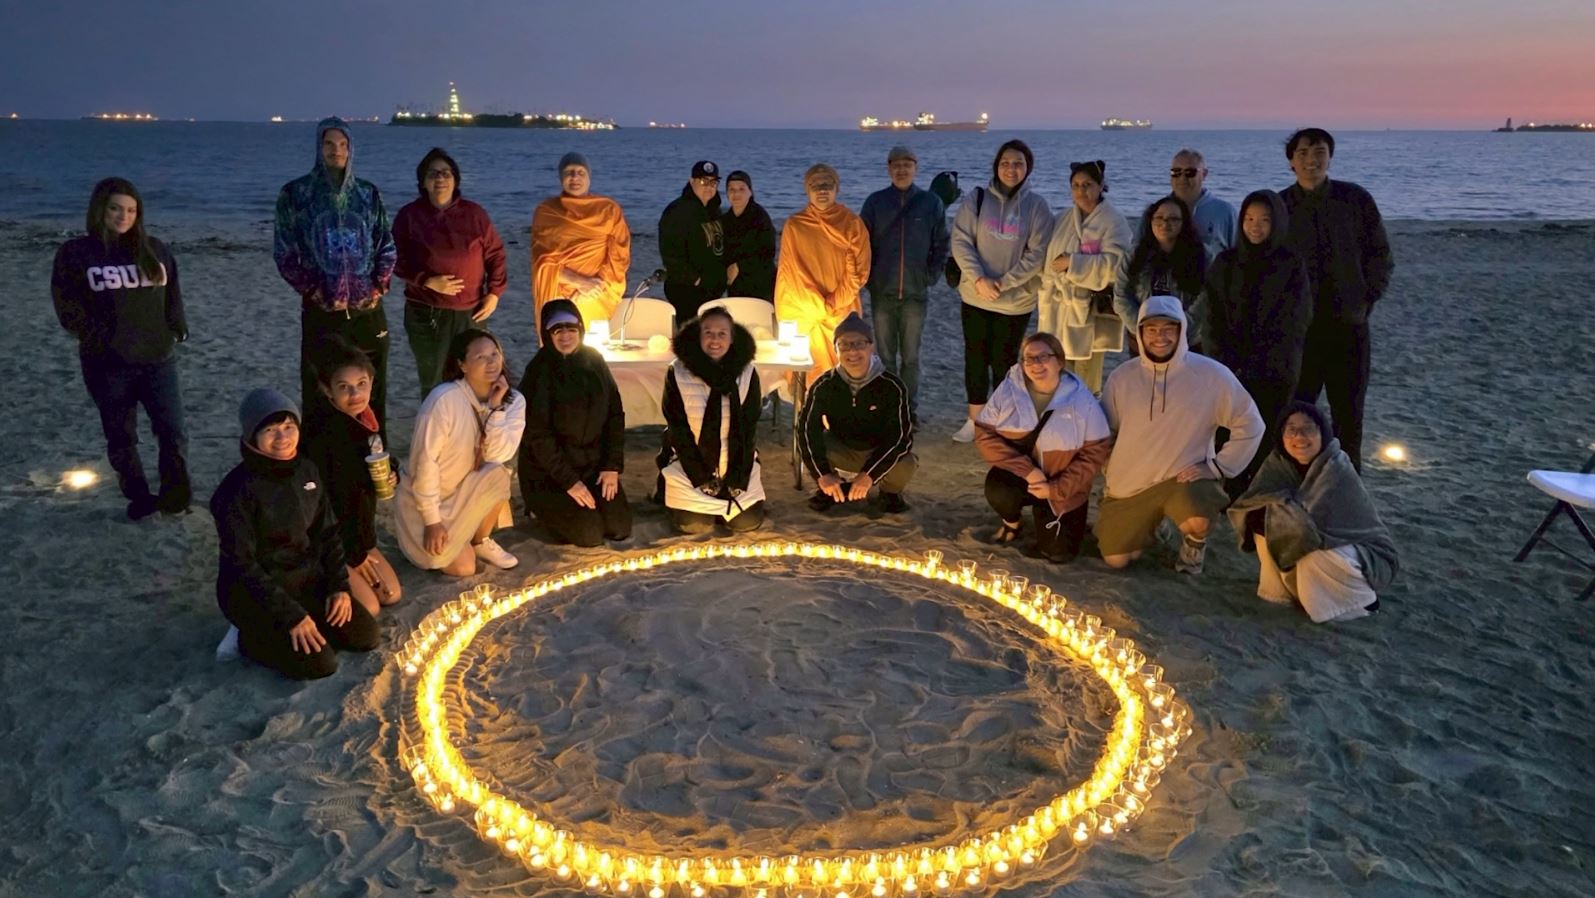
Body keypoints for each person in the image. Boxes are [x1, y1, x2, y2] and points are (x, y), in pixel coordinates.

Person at [210, 389, 379, 680]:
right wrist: (292, 616)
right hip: (255, 592)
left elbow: (327, 532)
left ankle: (305, 621)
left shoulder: (307, 469)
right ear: (252, 436)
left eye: (289, 427)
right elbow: (243, 565)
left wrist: (339, 586)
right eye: (271, 430)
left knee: (366, 636)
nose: (283, 438)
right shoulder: (235, 492)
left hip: (305, 579)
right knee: (321, 665)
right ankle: (245, 636)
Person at [52, 177, 192, 519]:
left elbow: (172, 293)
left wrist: (177, 330)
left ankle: (176, 498)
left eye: (131, 209)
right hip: (107, 364)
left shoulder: (155, 250)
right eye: (115, 208)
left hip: (159, 360)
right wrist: (96, 337)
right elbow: (67, 305)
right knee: (122, 436)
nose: (123, 216)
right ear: (100, 209)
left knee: (173, 432)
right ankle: (139, 497)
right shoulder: (76, 254)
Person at [1097, 297, 1263, 574]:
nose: (1159, 336)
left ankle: (1194, 543)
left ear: (1181, 330)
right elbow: (1105, 430)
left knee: (1197, 516)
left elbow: (1251, 423)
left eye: (1168, 329)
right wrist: (1108, 468)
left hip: (1183, 480)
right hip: (1132, 484)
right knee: (1117, 559)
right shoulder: (1122, 377)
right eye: (1151, 329)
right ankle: (1155, 523)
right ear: (1139, 333)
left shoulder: (1210, 375)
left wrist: (1218, 466)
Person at [274, 117, 396, 441]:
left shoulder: (368, 194)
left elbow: (387, 243)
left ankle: (373, 459)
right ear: (319, 147)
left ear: (351, 148)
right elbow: (284, 254)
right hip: (322, 313)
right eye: (329, 144)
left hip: (368, 313)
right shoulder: (296, 194)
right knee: (320, 391)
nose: (336, 151)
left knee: (372, 390)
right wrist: (313, 290)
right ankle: (320, 466)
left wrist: (377, 286)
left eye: (342, 144)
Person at [1279, 127, 1394, 471]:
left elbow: (1380, 255)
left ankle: (1347, 490)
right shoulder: (1281, 205)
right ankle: (1296, 483)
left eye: (1319, 152)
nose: (1311, 160)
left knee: (1349, 417)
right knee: (1296, 414)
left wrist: (1366, 297)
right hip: (1300, 333)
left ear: (1329, 157)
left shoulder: (1354, 199)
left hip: (1349, 327)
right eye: (1302, 153)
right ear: (1291, 162)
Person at [1228, 401, 1398, 623]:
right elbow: (1251, 505)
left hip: (1356, 549)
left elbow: (1312, 525)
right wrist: (1274, 511)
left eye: (1308, 428)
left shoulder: (1336, 467)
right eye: (1291, 429)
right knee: (1267, 525)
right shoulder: (1277, 464)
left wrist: (1277, 509)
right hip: (1309, 536)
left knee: (1308, 548)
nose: (1299, 436)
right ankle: (1282, 594)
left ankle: (1360, 603)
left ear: (1322, 433)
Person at [1204, 190, 1313, 492]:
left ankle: (1261, 490)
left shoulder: (1291, 264)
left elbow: (1294, 320)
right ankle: (1231, 491)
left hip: (1273, 369)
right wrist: (1223, 359)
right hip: (1229, 367)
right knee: (1228, 431)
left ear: (1276, 223)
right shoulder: (1226, 262)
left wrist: (1257, 362)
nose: (1255, 226)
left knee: (1265, 431)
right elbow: (1211, 315)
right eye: (1250, 219)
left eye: (1264, 220)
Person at [395, 329, 526, 575]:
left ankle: (479, 540)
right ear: (462, 365)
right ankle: (445, 537)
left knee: (498, 473)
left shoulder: (514, 401)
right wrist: (432, 522)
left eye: (495, 354)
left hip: (465, 494)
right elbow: (425, 462)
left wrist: (496, 411)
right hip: (427, 502)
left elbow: (498, 455)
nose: (491, 362)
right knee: (463, 567)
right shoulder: (443, 400)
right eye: (480, 357)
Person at [949, 139, 1054, 442]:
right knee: (976, 356)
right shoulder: (977, 199)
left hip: (1015, 301)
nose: (1011, 168)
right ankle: (976, 420)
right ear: (996, 166)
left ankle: (1003, 418)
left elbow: (1037, 253)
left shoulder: (1037, 206)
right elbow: (961, 241)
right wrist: (979, 278)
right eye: (1006, 162)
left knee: (1005, 361)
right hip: (975, 294)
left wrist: (1004, 283)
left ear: (1027, 168)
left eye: (1018, 163)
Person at [975, 332, 1110, 562]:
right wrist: (1028, 471)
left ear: (1060, 361)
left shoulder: (1081, 401)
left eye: (1043, 357)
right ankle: (1012, 522)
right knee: (999, 488)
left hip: (1063, 485)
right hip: (1024, 478)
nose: (1035, 364)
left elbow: (1094, 455)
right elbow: (984, 435)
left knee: (1058, 554)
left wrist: (1056, 489)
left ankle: (1058, 519)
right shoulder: (1008, 390)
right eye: (1029, 358)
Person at [301, 335, 403, 617]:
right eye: (344, 387)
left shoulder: (366, 420)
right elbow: (331, 505)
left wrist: (392, 471)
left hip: (360, 536)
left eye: (361, 385)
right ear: (327, 390)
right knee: (369, 608)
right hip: (331, 542)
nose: (355, 395)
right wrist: (355, 556)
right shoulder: (326, 436)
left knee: (391, 595)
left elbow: (379, 458)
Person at [393, 148, 508, 396]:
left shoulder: (474, 214)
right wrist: (427, 281)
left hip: (470, 312)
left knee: (473, 377)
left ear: (455, 179)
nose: (440, 178)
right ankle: (435, 431)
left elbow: (495, 254)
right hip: (426, 312)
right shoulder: (409, 216)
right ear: (423, 181)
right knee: (433, 380)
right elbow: (394, 259)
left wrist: (495, 293)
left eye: (446, 173)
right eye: (433, 173)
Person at [518, 299, 632, 547]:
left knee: (619, 527)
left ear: (580, 329)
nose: (566, 335)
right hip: (551, 474)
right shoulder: (538, 372)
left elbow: (615, 413)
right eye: (557, 330)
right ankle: (542, 509)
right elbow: (538, 437)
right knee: (588, 534)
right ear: (548, 335)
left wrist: (611, 466)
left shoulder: (595, 361)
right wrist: (570, 481)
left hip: (594, 467)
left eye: (571, 328)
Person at [657, 307, 766, 534]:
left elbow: (748, 428)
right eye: (708, 332)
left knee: (747, 523)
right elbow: (678, 429)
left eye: (721, 333)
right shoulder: (678, 372)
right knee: (694, 525)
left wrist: (738, 477)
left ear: (732, 337)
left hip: (734, 461)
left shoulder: (746, 372)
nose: (714, 340)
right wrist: (701, 478)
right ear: (698, 335)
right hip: (691, 463)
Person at [859, 145, 950, 414]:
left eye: (907, 165)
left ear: (915, 168)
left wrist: (930, 276)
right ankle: (889, 408)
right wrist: (868, 278)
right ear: (888, 169)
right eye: (896, 165)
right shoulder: (875, 202)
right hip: (882, 292)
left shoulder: (930, 203)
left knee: (911, 357)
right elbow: (861, 243)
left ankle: (908, 409)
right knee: (885, 357)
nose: (901, 170)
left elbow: (942, 243)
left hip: (915, 293)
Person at [797, 312, 916, 514]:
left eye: (859, 344)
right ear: (835, 350)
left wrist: (868, 475)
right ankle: (831, 488)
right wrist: (822, 474)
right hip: (841, 447)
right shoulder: (824, 385)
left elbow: (900, 437)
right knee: (817, 445)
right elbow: (807, 430)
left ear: (871, 347)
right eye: (844, 345)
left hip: (877, 448)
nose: (852, 351)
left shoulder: (892, 387)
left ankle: (890, 494)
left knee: (905, 462)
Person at [1037, 160, 1132, 393]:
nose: (1081, 191)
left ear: (1101, 186)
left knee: (1087, 378)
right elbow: (1045, 261)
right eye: (1076, 185)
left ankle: (1088, 422)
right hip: (1059, 307)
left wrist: (1074, 263)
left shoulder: (1113, 221)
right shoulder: (1062, 219)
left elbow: (1117, 264)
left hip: (1091, 309)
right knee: (1059, 368)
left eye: (1088, 184)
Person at [774, 163, 871, 379]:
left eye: (827, 184)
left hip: (841, 311)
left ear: (837, 188)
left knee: (845, 373)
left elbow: (859, 272)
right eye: (815, 185)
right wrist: (818, 308)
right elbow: (791, 275)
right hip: (804, 312)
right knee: (808, 378)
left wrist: (832, 305)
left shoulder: (852, 224)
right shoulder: (795, 225)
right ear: (807, 190)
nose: (822, 190)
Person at [531, 152, 632, 330]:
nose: (574, 177)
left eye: (581, 172)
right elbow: (541, 260)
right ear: (560, 176)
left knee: (593, 350)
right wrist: (577, 282)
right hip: (559, 291)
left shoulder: (608, 209)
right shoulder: (546, 211)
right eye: (569, 172)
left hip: (597, 292)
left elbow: (619, 257)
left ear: (589, 177)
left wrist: (594, 287)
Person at [1113, 195, 1207, 351]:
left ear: (1184, 223)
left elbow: (1205, 300)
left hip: (1188, 341)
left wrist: (1177, 330)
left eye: (1173, 219)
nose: (1164, 223)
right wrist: (1145, 330)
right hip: (1142, 340)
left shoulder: (1203, 256)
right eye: (1159, 218)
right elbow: (1121, 296)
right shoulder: (1134, 255)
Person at [659, 160, 727, 323]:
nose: (709, 187)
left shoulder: (714, 210)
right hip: (687, 290)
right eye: (703, 181)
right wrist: (695, 280)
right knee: (690, 337)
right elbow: (670, 253)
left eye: (713, 182)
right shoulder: (678, 211)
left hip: (712, 290)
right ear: (692, 182)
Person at [1169, 149, 1236, 259]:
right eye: (1176, 172)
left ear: (1204, 174)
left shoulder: (1225, 212)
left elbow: (1239, 254)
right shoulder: (1158, 212)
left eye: (1190, 172)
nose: (1182, 178)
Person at [720, 170, 776, 301]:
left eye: (741, 189)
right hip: (735, 286)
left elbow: (768, 253)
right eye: (731, 189)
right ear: (727, 193)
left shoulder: (760, 217)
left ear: (750, 192)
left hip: (761, 285)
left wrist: (740, 266)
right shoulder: (725, 220)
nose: (736, 193)